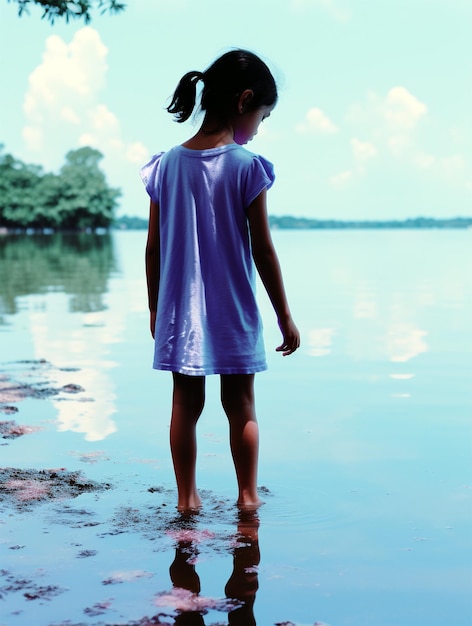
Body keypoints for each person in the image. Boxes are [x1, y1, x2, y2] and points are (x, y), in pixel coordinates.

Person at [141, 49, 300, 513]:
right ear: (244, 100)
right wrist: (284, 315)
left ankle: (187, 501)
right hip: (233, 308)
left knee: (184, 406)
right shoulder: (247, 166)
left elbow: (153, 248)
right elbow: (263, 249)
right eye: (262, 115)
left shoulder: (165, 165)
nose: (259, 127)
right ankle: (248, 500)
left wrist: (155, 308)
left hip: (178, 311)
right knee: (242, 406)